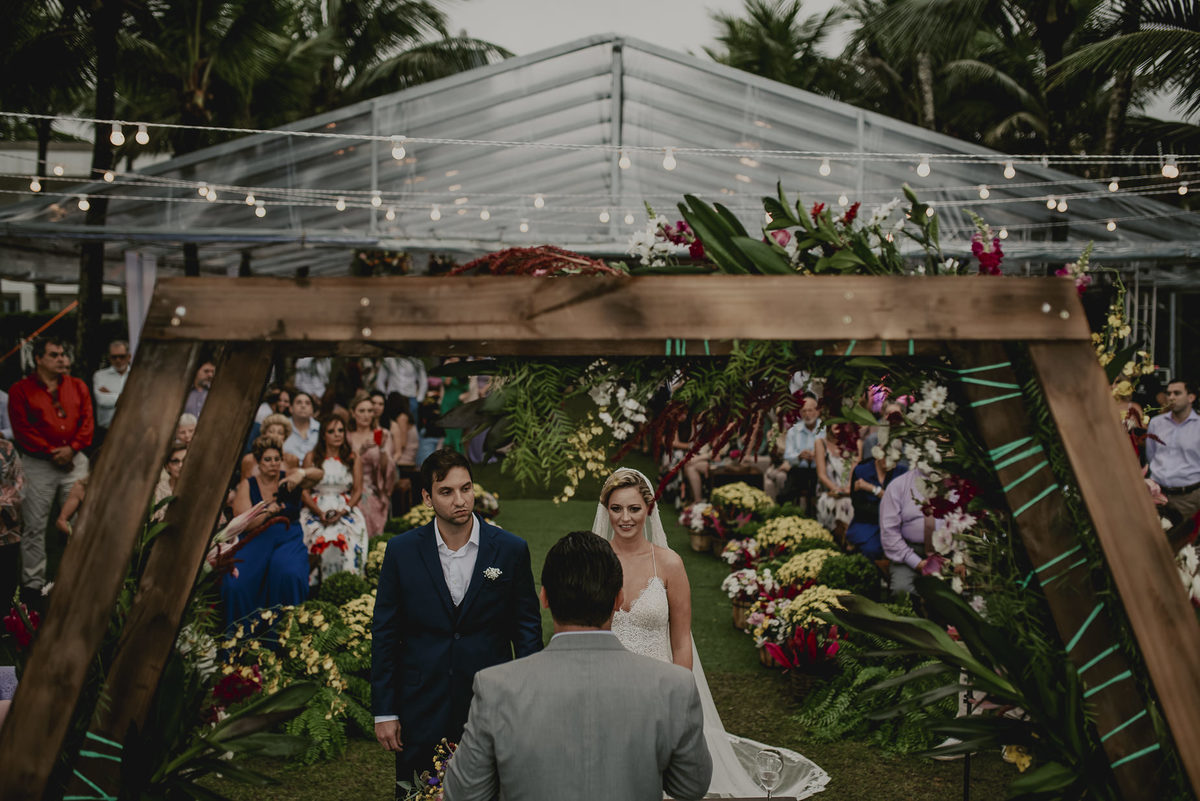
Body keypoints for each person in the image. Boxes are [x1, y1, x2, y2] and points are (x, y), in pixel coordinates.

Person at [591, 467, 829, 798]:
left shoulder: (669, 564)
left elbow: (681, 639)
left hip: (659, 686)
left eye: (634, 508)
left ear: (649, 509)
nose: (625, 518)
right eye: (616, 508)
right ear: (606, 510)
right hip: (608, 684)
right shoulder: (595, 563)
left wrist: (679, 696)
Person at [444, 530, 713, 801]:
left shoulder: (496, 687)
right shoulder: (673, 685)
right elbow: (690, 786)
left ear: (544, 598)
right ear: (618, 599)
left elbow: (463, 793)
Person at [372, 448, 543, 794]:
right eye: (447, 492)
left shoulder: (510, 550)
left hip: (490, 704)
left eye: (466, 488)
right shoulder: (401, 551)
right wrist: (385, 712)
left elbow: (527, 631)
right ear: (427, 497)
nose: (460, 500)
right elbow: (386, 633)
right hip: (421, 705)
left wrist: (527, 703)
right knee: (419, 792)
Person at [8, 337, 93, 608]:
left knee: (79, 522)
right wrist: (52, 452)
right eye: (54, 355)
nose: (61, 359)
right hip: (38, 463)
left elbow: (87, 422)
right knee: (34, 525)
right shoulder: (21, 390)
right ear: (38, 359)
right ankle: (33, 588)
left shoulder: (78, 386)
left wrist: (72, 449)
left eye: (63, 354)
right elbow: (22, 429)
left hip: (75, 461)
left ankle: (79, 580)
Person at [222, 434, 321, 629]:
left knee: (288, 574)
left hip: (288, 536)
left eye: (277, 459)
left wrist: (300, 473)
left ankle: (286, 633)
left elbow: (319, 474)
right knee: (237, 583)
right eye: (267, 459)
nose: (273, 464)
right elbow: (244, 523)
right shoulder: (248, 484)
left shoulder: (289, 477)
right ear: (258, 462)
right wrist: (267, 512)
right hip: (256, 537)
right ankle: (243, 635)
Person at [300, 414, 368, 579]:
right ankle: (315, 586)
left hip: (345, 507)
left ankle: (347, 583)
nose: (337, 435)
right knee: (316, 540)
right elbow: (304, 491)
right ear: (323, 435)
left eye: (340, 430)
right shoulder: (311, 457)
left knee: (349, 541)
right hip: (316, 508)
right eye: (331, 431)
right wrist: (318, 512)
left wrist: (343, 511)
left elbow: (358, 490)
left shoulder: (353, 457)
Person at [1146, 379, 1200, 526]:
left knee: (1184, 539)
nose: (1171, 397)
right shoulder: (1156, 423)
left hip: (1189, 498)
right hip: (1157, 495)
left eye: (1177, 393)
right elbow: (1151, 456)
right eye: (1168, 393)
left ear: (1191, 397)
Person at [346, 390, 396, 538]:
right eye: (361, 411)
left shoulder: (383, 434)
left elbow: (388, 470)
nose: (366, 415)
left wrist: (382, 449)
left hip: (374, 488)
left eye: (370, 411)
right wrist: (360, 452)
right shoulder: (346, 436)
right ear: (353, 413)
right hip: (348, 486)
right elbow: (341, 464)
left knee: (367, 502)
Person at [880, 468, 938, 595]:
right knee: (902, 590)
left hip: (946, 553)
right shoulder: (898, 485)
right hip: (908, 553)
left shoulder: (954, 484)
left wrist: (960, 559)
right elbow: (889, 533)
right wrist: (916, 562)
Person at [847, 457, 908, 560]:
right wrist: (888, 507)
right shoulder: (861, 471)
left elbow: (901, 504)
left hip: (895, 524)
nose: (887, 458)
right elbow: (858, 505)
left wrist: (873, 489)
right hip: (866, 523)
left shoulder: (902, 472)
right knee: (870, 549)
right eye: (883, 454)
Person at [778, 394, 824, 510]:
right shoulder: (793, 431)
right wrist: (799, 456)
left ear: (817, 412)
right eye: (804, 411)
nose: (807, 414)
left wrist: (817, 455)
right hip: (799, 471)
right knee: (784, 495)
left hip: (820, 471)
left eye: (810, 410)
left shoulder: (825, 429)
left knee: (818, 488)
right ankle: (786, 516)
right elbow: (788, 456)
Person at [815, 422, 861, 537]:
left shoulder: (856, 443)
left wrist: (847, 490)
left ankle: (846, 538)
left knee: (846, 503)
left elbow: (854, 472)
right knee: (837, 503)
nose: (837, 425)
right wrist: (836, 490)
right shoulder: (820, 443)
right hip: (828, 492)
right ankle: (839, 538)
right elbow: (821, 475)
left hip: (850, 491)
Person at [0, 437, 24, 616]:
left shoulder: (7, 448)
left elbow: (20, 483)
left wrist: (3, 504)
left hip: (6, 533)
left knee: (6, 585)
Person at [91, 339, 131, 440]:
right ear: (109, 358)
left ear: (129, 357)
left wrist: (111, 394)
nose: (118, 360)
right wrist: (128, 398)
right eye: (114, 357)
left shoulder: (136, 375)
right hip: (106, 432)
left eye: (122, 356)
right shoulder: (100, 375)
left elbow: (141, 402)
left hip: (132, 431)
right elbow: (102, 400)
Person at [283, 391, 320, 463]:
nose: (303, 406)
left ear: (312, 409)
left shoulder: (321, 429)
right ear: (291, 408)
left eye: (307, 403)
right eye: (299, 402)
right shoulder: (282, 426)